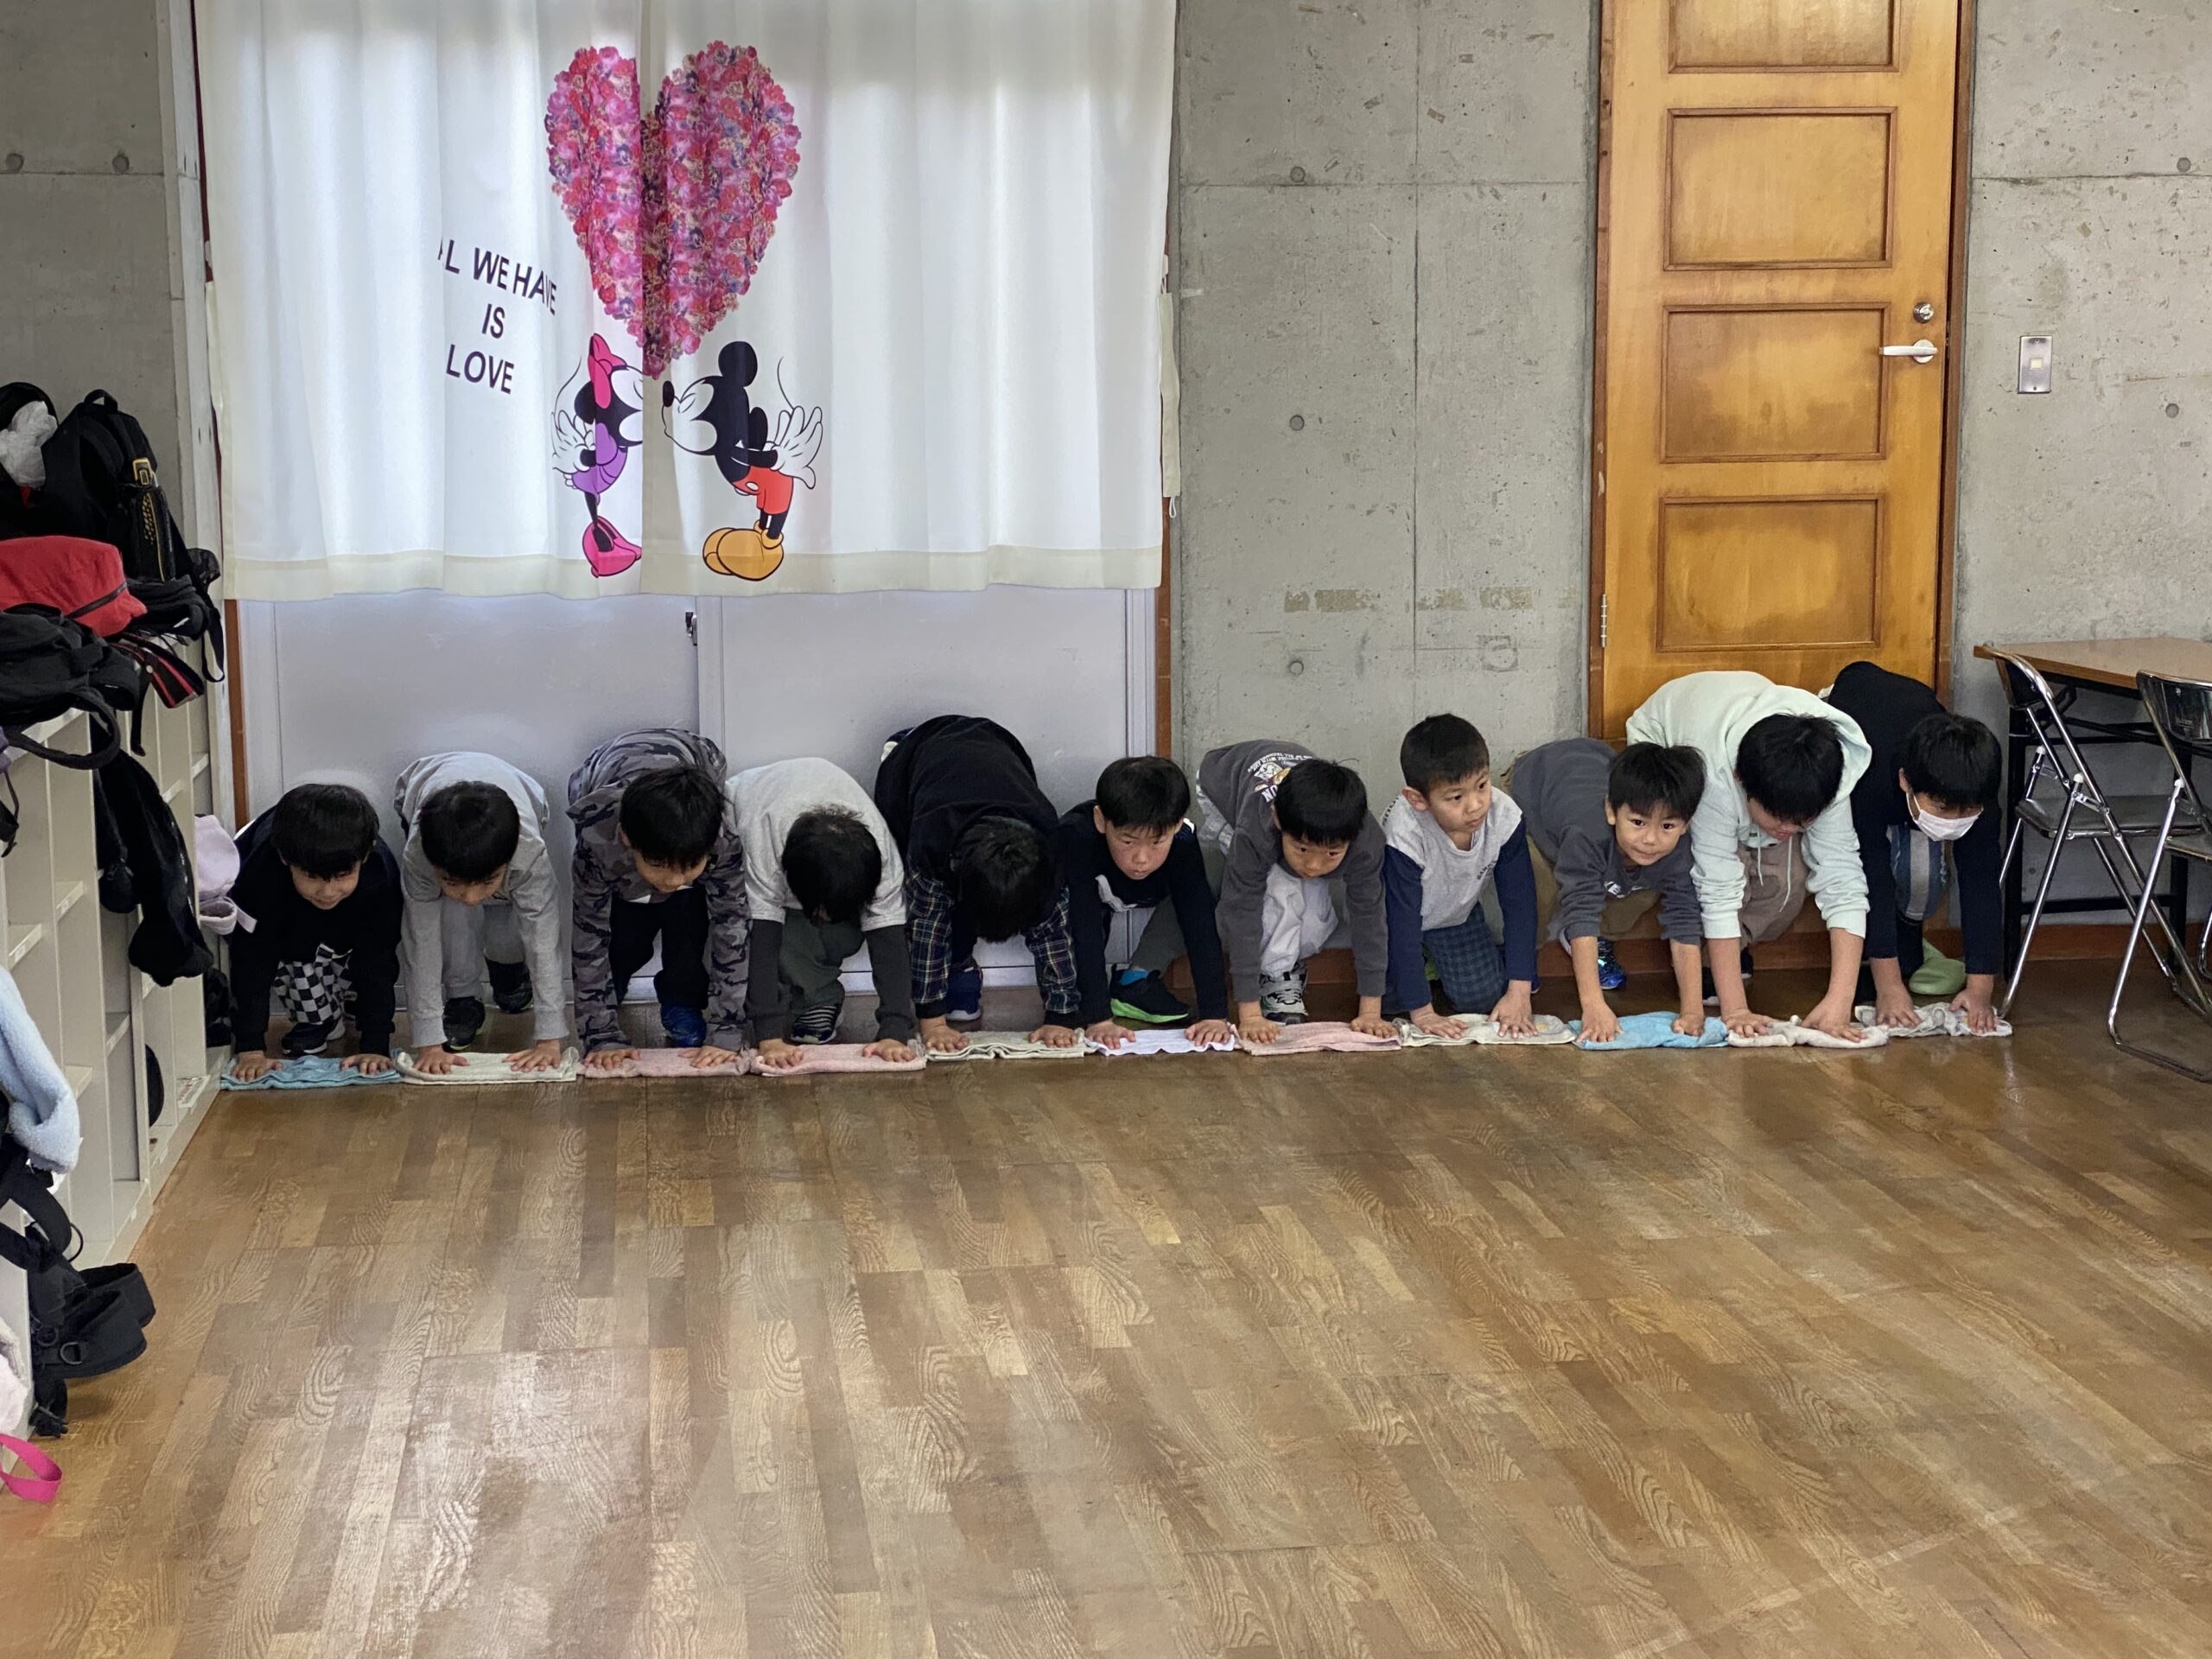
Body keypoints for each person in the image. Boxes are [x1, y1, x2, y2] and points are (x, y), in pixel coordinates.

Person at [1625, 671, 1872, 1039]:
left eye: (1803, 821)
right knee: (1703, 872)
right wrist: (1736, 1010)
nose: (1790, 828)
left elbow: (1843, 877)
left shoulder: (1828, 770)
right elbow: (1718, 886)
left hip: (1739, 721)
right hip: (1669, 739)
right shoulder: (1713, 775)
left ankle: (1723, 954)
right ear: (1742, 780)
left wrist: (1840, 1002)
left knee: (1786, 885)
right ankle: (1706, 967)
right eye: (1780, 818)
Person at [873, 715, 1078, 1053]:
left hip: (998, 747)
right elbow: (928, 930)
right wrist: (933, 1022)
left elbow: (1053, 935)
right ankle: (958, 964)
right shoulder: (932, 843)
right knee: (928, 907)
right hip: (912, 762)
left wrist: (1061, 1014)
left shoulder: (1049, 854)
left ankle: (960, 967)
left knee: (1040, 915)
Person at [1825, 661, 2005, 1033]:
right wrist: (1889, 987)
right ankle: (1886, 959)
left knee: (1923, 876)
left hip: (1912, 715)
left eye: (1967, 811)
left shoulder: (1977, 782)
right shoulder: (1867, 773)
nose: (1955, 820)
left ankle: (1908, 944)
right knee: (1880, 872)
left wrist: (1980, 989)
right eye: (1943, 810)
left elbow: (1982, 881)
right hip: (1854, 713)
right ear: (1906, 782)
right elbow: (1871, 873)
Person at [568, 729, 747, 1072]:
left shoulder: (721, 840)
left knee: (689, 915)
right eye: (659, 866)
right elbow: (588, 937)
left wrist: (727, 1028)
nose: (674, 880)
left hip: (698, 756)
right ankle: (614, 989)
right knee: (623, 934)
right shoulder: (597, 841)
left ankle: (681, 1001)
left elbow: (733, 927)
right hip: (602, 773)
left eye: (690, 866)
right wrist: (600, 1034)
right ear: (627, 839)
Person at [1507, 737, 1706, 1043]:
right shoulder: (1588, 832)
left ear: (1686, 825)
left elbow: (1684, 920)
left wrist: (1693, 1011)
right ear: (1611, 811)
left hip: (1588, 775)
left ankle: (1583, 938)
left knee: (1637, 883)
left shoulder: (1679, 850)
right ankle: (1523, 955)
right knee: (1539, 888)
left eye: (1667, 826)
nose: (1651, 839)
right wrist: (1594, 1006)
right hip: (1535, 791)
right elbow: (1581, 907)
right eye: (1638, 822)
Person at [726, 756, 917, 1069]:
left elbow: (889, 941)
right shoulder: (762, 841)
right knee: (778, 937)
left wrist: (895, 1031)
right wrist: (769, 1035)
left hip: (814, 854)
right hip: (753, 815)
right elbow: (761, 935)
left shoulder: (882, 858)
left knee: (840, 935)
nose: (825, 918)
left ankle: (818, 995)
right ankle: (805, 996)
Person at [1198, 741, 1395, 1046]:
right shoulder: (1257, 830)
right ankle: (1275, 977)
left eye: (1332, 853)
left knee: (1313, 913)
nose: (1314, 865)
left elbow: (1369, 917)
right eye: (1302, 849)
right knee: (1280, 889)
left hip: (1290, 811)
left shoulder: (1366, 843)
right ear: (1278, 820)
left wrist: (1371, 1011)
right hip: (1220, 782)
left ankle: (1285, 962)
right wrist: (1249, 1014)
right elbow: (1242, 910)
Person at [393, 753, 568, 1074]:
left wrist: (549, 1040)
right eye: (452, 881)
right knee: (451, 916)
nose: (472, 898)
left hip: (525, 799)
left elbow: (544, 939)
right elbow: (421, 942)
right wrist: (429, 1044)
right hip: (422, 788)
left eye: (487, 881)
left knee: (507, 923)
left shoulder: (529, 852)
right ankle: (462, 999)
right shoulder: (419, 855)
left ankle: (509, 971)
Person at [1055, 755, 1232, 1049]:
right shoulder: (1076, 837)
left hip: (1153, 889)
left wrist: (1215, 1014)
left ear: (1177, 825)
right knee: (1079, 938)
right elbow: (1084, 926)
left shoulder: (1182, 841)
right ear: (1101, 820)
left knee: (1209, 875)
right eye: (1128, 841)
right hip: (1091, 895)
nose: (1142, 858)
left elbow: (1199, 923)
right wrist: (1099, 1018)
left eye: (1157, 842)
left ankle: (1136, 979)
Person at [1382, 715, 1541, 1039]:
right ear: (1417, 799)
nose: (1475, 805)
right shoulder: (1404, 832)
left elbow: (1520, 904)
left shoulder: (1504, 815)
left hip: (1453, 917)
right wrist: (1423, 1013)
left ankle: (1445, 964)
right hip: (1392, 923)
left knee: (1484, 998)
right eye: (1456, 797)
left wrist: (1519, 990)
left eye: (1482, 785)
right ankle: (1427, 968)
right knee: (1387, 1000)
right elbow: (1401, 923)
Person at [228, 783, 400, 1081]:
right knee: (291, 950)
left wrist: (376, 1044)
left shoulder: (380, 874)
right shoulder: (259, 875)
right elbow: (252, 959)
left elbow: (379, 958)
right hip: (281, 913)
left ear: (365, 856)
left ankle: (353, 1003)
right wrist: (250, 1047)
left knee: (366, 954)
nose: (328, 891)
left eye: (343, 876)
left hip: (354, 918)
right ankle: (317, 1018)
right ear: (285, 859)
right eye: (312, 877)